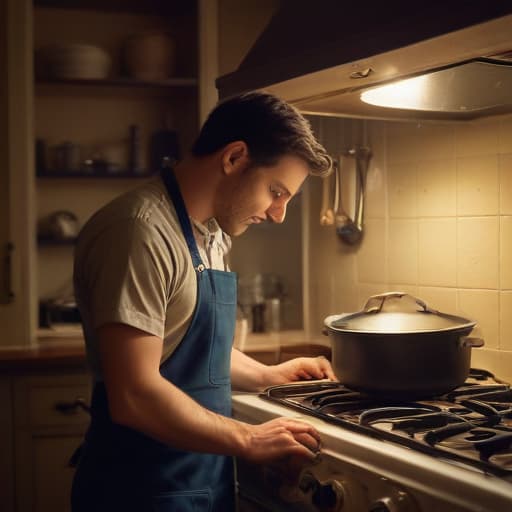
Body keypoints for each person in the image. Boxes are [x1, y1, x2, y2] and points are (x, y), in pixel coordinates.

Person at [71, 91, 335, 512]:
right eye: (276, 191)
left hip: (198, 482)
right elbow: (134, 392)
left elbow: (186, 344)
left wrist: (270, 375)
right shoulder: (138, 233)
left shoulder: (211, 235)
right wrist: (249, 437)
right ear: (233, 158)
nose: (277, 213)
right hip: (140, 490)